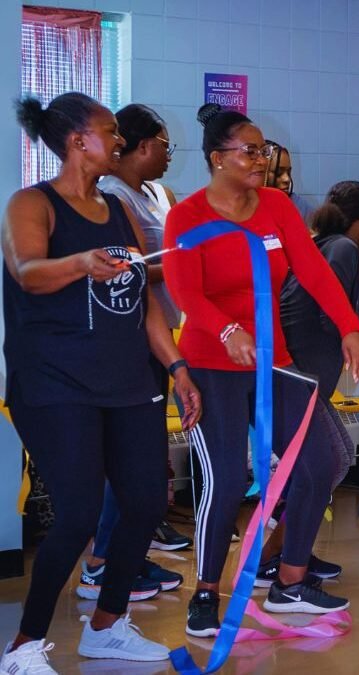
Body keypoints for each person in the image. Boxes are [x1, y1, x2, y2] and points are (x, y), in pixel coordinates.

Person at [0, 92, 201, 673]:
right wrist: (81, 263)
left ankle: (107, 627)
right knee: (79, 514)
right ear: (75, 141)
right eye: (109, 131)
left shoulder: (120, 212)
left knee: (144, 501)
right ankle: (23, 647)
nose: (118, 141)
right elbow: (28, 272)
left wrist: (178, 367)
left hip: (126, 381)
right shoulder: (30, 204)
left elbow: (142, 302)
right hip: (54, 383)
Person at [163, 104, 359, 636]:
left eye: (264, 150)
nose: (261, 159)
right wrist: (227, 331)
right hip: (214, 363)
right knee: (227, 478)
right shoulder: (187, 216)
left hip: (273, 363)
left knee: (321, 462)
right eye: (249, 151)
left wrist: (351, 326)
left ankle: (290, 582)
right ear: (217, 159)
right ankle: (207, 592)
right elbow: (185, 290)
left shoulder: (276, 207)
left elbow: (315, 271)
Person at [254, 181, 359, 587]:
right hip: (296, 376)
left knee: (332, 461)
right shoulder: (344, 248)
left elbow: (337, 313)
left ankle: (289, 550)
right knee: (328, 462)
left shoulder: (327, 243)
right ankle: (273, 557)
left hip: (297, 375)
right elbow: (328, 313)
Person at [76, 104, 189, 607]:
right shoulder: (113, 197)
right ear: (141, 146)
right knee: (127, 457)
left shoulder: (154, 194)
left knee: (139, 457)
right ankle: (100, 564)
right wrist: (186, 266)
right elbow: (125, 272)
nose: (169, 155)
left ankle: (126, 554)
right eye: (165, 145)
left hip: (161, 334)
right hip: (128, 341)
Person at [263, 140, 313, 222]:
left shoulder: (300, 207)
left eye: (288, 172)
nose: (287, 179)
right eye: (278, 173)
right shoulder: (249, 206)